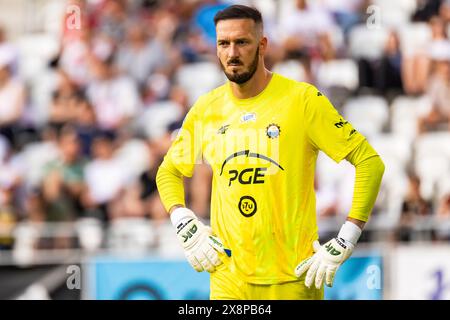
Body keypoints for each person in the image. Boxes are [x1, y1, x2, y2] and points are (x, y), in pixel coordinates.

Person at [156, 5, 385, 300]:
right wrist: (181, 217)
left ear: (262, 45)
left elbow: (370, 162)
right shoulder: (206, 110)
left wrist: (347, 237)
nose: (232, 53)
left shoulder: (302, 101)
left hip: (292, 279)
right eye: (223, 44)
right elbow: (169, 171)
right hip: (229, 280)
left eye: (242, 42)